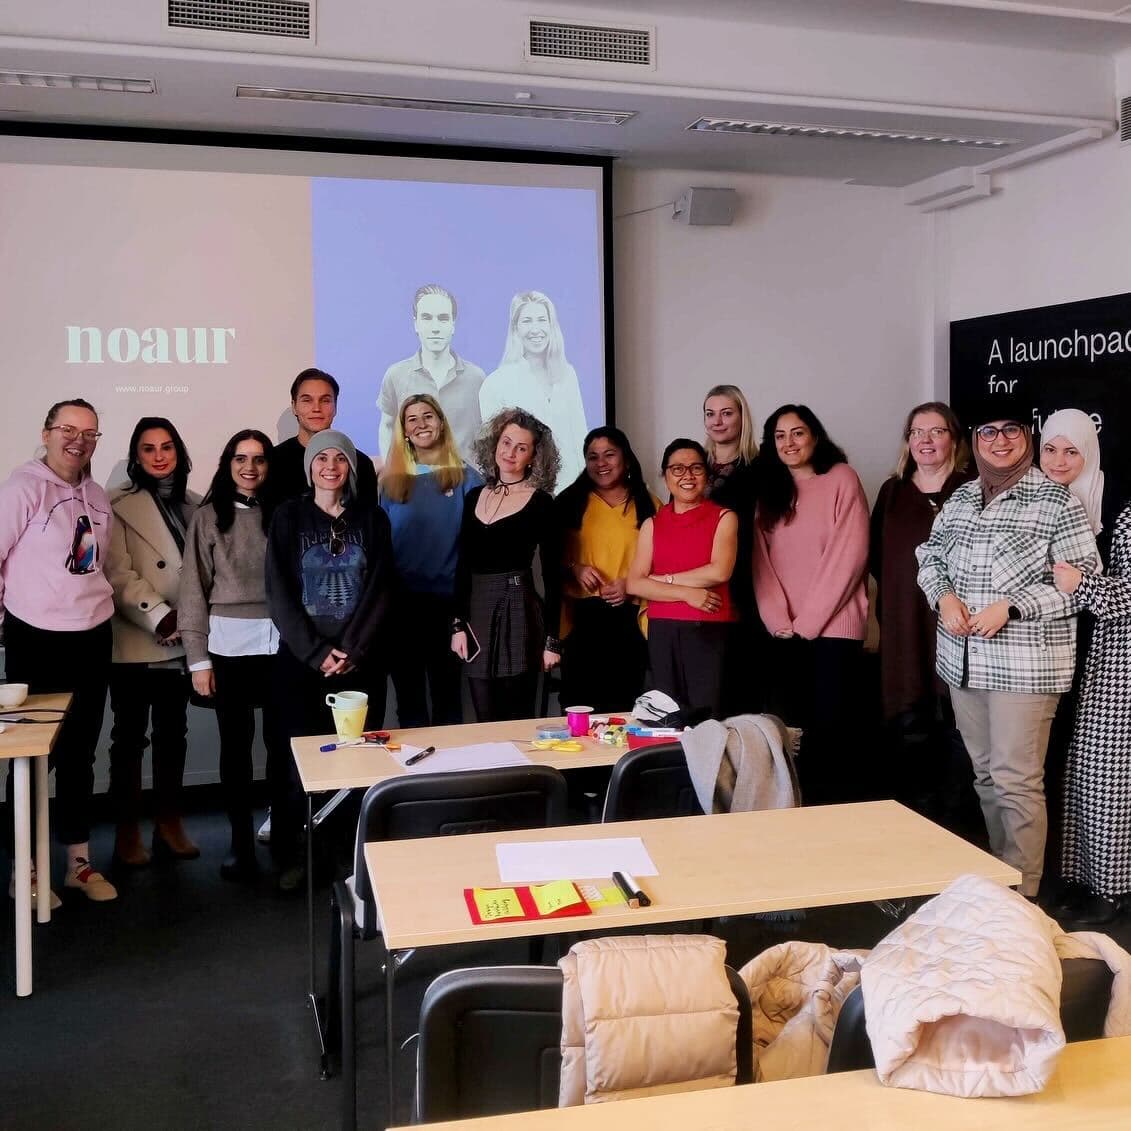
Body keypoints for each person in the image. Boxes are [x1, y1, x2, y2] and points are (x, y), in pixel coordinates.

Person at [916, 394, 1099, 899]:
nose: (1000, 441)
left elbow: (1082, 582)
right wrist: (944, 595)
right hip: (964, 664)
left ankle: (1024, 897)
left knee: (1017, 780)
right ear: (975, 442)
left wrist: (1012, 607)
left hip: (1026, 668)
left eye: (1011, 431)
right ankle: (1002, 880)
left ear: (1027, 438)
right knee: (985, 777)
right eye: (989, 432)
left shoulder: (1057, 503)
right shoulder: (961, 498)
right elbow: (929, 556)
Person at [0, 398, 117, 903]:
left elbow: (95, 567)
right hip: (36, 639)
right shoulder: (23, 488)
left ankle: (77, 863)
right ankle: (22, 871)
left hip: (92, 636)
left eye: (90, 433)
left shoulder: (97, 495)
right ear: (47, 433)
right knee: (31, 758)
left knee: (79, 756)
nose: (79, 440)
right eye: (69, 429)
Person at [267, 429, 395, 889]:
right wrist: (318, 652)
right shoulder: (288, 517)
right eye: (321, 459)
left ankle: (346, 854)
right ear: (309, 468)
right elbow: (279, 592)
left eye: (339, 458)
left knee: (354, 761)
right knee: (295, 761)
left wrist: (354, 650)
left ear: (350, 467)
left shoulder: (373, 519)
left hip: (360, 663)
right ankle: (294, 857)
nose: (330, 467)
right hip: (301, 663)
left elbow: (381, 589)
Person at [180, 429, 288, 882]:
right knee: (236, 752)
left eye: (260, 459)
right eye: (241, 458)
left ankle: (284, 840)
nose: (250, 467)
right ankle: (240, 844)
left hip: (282, 645)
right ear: (228, 464)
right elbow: (192, 590)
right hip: (227, 647)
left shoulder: (285, 513)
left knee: (282, 750)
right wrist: (198, 660)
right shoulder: (207, 517)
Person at [753, 405, 869, 804]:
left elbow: (848, 558)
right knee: (789, 735)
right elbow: (761, 564)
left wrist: (808, 623)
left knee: (832, 733)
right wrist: (778, 621)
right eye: (780, 436)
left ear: (815, 436)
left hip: (833, 630)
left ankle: (833, 822)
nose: (789, 443)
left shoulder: (841, 479)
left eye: (797, 433)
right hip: (783, 634)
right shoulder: (769, 492)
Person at [869, 402, 975, 827]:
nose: (926, 441)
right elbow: (877, 560)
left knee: (957, 734)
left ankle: (958, 829)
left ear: (954, 438)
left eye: (936, 431)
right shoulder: (892, 492)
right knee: (909, 731)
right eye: (917, 432)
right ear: (907, 441)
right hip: (903, 624)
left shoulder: (973, 488)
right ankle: (916, 825)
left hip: (961, 626)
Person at [105, 417, 200, 868]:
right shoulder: (117, 505)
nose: (159, 456)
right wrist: (160, 617)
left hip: (185, 640)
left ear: (178, 452)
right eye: (148, 449)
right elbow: (117, 573)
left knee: (172, 735)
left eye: (166, 447)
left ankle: (169, 823)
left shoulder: (195, 504)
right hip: (138, 637)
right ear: (136, 456)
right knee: (128, 739)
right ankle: (126, 832)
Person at [451, 409, 563, 722]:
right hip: (476, 611)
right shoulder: (474, 496)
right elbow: (463, 564)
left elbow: (553, 576)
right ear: (495, 443)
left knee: (518, 718)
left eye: (521, 447)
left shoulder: (542, 503)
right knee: (484, 717)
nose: (510, 453)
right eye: (506, 442)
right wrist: (457, 625)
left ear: (534, 457)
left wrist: (553, 642)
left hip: (520, 610)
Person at [379, 395, 483, 727]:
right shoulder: (389, 482)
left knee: (448, 698)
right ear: (404, 432)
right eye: (412, 419)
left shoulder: (468, 479)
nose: (421, 424)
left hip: (449, 608)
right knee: (409, 701)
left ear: (441, 423)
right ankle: (414, 778)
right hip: (400, 608)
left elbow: (476, 548)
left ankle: (446, 776)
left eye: (428, 416)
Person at [1052, 504, 1131, 923]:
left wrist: (1082, 584)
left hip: (1122, 660)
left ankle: (1109, 891)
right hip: (1103, 649)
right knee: (1091, 770)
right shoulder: (1109, 505)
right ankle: (1091, 882)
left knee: (1108, 774)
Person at [1038, 408, 1104, 895]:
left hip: (1098, 655)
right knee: (1045, 764)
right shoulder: (1032, 500)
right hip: (1041, 652)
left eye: (1072, 450)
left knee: (1086, 769)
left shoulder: (1114, 505)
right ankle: (1056, 874)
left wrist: (1082, 584)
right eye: (1050, 449)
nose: (1059, 461)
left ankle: (1090, 878)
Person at [626, 439, 738, 724]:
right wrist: (689, 594)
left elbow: (719, 571)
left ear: (707, 474)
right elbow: (636, 584)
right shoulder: (652, 523)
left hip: (709, 630)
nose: (687, 476)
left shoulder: (724, 517)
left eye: (695, 468)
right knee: (663, 719)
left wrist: (664, 581)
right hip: (662, 631)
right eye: (677, 469)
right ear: (665, 475)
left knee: (709, 721)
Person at [555, 427, 658, 714]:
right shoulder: (568, 503)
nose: (601, 463)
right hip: (581, 619)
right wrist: (575, 569)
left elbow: (664, 562)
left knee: (623, 704)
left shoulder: (649, 504)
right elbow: (548, 558)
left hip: (629, 618)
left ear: (625, 459)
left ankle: (619, 761)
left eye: (609, 455)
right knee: (579, 705)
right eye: (593, 456)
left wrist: (631, 584)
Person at [478, 291, 587, 491]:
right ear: (515, 329)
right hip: (524, 494)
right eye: (527, 321)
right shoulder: (496, 383)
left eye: (542, 320)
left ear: (551, 325)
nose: (535, 328)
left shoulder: (567, 374)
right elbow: (493, 454)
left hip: (573, 493)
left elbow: (580, 437)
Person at [703, 384, 763, 713]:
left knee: (736, 686)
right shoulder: (692, 467)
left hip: (743, 585)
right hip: (696, 587)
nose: (718, 421)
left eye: (727, 413)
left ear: (742, 417)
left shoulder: (758, 470)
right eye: (710, 414)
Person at [377, 285, 486, 459]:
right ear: (416, 324)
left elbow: (485, 434)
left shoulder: (476, 378)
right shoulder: (396, 375)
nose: (435, 327)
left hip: (467, 482)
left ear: (453, 325)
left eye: (443, 318)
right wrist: (388, 466)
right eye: (427, 318)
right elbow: (387, 425)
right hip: (414, 482)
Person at [273, 368, 379, 502]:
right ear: (294, 406)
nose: (316, 408)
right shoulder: (273, 461)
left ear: (335, 406)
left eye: (325, 400)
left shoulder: (359, 463)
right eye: (307, 400)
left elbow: (369, 520)